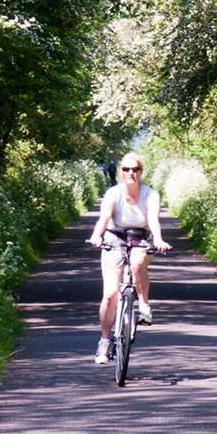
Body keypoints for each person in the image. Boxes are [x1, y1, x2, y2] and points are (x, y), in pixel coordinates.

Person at [86, 152, 171, 364]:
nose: (130, 173)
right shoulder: (113, 193)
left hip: (139, 238)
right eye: (126, 169)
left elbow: (152, 219)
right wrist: (96, 236)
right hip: (114, 238)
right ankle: (104, 341)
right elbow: (104, 217)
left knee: (136, 264)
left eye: (135, 169)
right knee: (110, 294)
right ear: (120, 172)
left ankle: (143, 306)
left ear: (141, 172)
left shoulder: (150, 195)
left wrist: (159, 239)